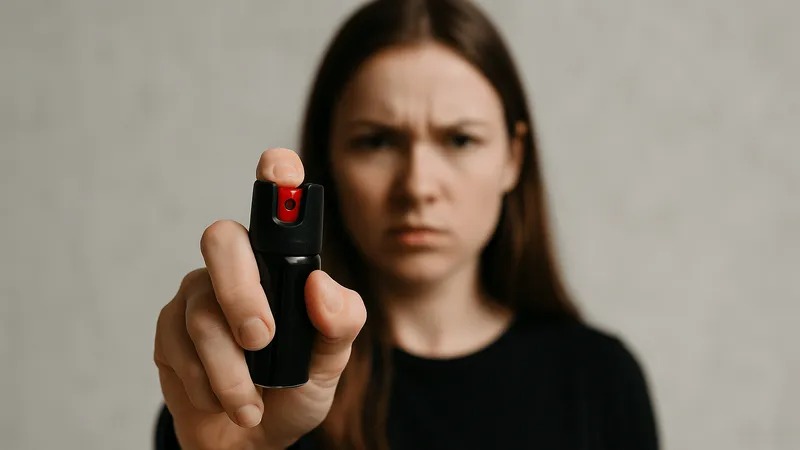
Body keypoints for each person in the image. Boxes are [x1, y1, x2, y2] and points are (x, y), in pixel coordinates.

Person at [153, 0, 660, 448]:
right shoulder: (248, 395)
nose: (417, 186)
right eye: (376, 141)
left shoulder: (601, 382)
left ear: (514, 157)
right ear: (329, 161)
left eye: (460, 140)